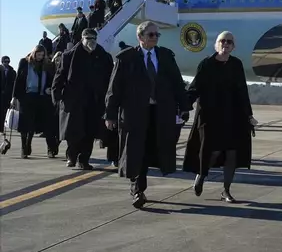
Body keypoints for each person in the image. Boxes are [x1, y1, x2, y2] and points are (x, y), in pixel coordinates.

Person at [105, 21, 191, 209]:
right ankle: (137, 189)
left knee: (153, 150)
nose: (155, 38)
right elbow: (114, 89)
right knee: (137, 151)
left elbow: (177, 83)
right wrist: (110, 115)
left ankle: (139, 187)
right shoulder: (126, 58)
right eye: (151, 34)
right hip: (135, 114)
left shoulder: (166, 56)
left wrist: (184, 107)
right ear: (140, 37)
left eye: (157, 35)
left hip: (160, 114)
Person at [183, 31, 257, 203]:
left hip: (233, 115)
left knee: (232, 153)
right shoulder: (206, 64)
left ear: (233, 46)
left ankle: (226, 191)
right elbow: (195, 88)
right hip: (210, 115)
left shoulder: (236, 65)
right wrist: (185, 106)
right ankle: (202, 174)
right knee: (213, 151)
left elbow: (242, 92)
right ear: (216, 45)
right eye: (222, 41)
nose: (226, 44)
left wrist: (249, 115)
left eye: (229, 42)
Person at [52, 28, 114, 169]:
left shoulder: (104, 56)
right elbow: (59, 78)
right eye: (88, 39)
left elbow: (110, 79)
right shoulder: (69, 56)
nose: (91, 41)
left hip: (94, 101)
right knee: (74, 132)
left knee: (89, 132)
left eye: (94, 39)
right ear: (82, 39)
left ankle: (83, 159)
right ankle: (71, 156)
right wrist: (57, 98)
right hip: (74, 101)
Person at [10, 45, 57, 158]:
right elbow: (18, 80)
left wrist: (49, 88)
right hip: (27, 96)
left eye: (42, 55)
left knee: (45, 123)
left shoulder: (47, 64)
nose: (40, 57)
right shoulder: (24, 62)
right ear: (34, 53)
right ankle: (24, 147)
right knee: (26, 123)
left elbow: (52, 79)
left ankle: (50, 148)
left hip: (42, 96)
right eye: (38, 55)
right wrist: (14, 97)